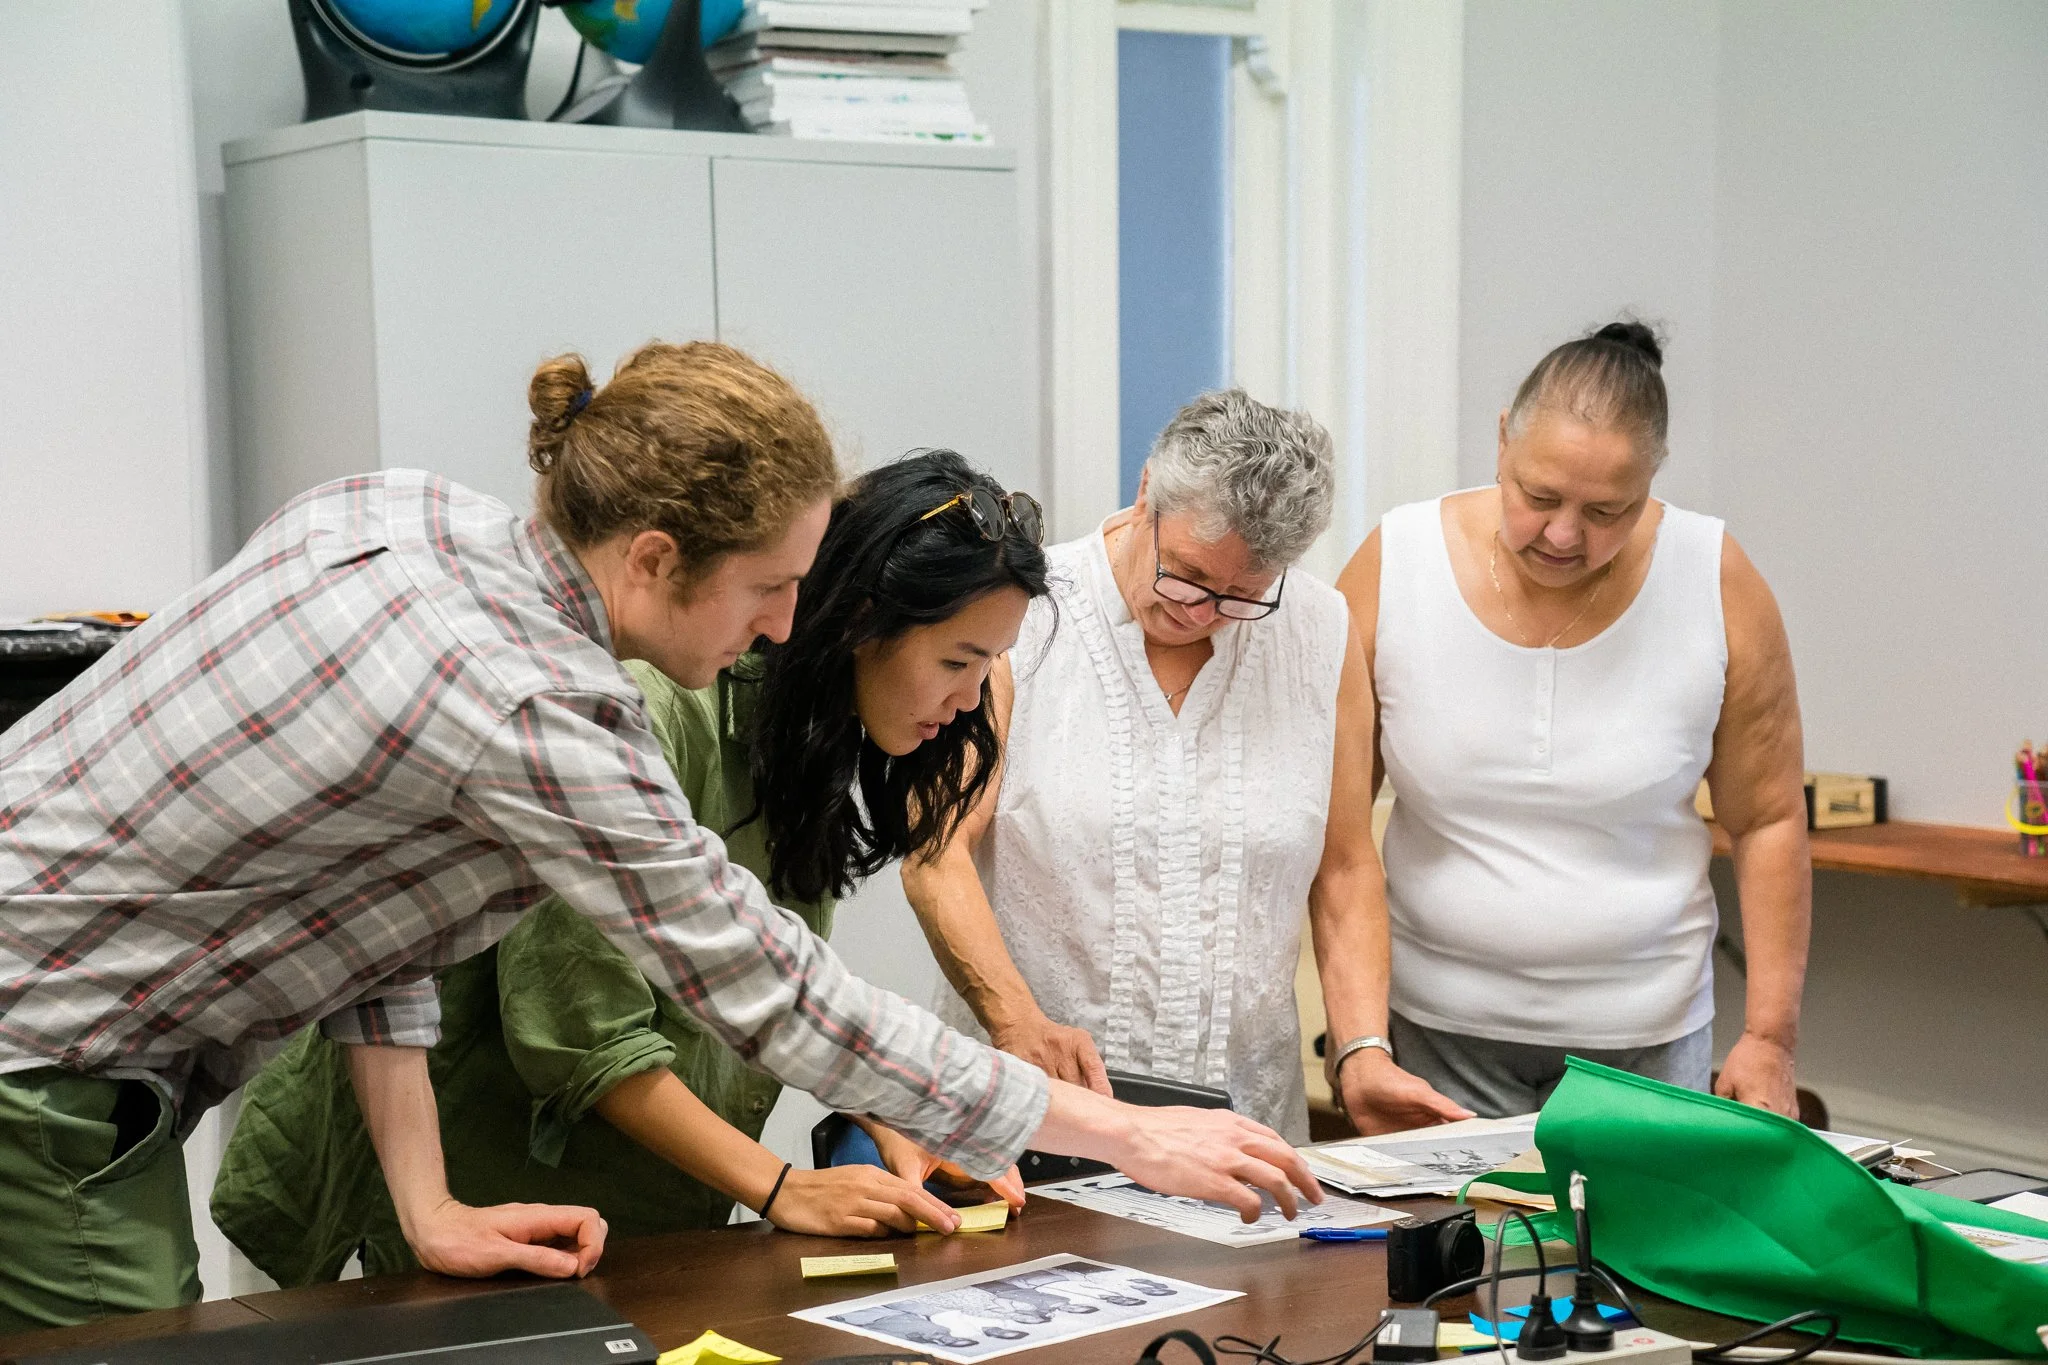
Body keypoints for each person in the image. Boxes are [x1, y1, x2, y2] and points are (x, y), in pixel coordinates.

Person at [0, 343, 1317, 1332]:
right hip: (41, 1054)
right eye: (769, 588)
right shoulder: (541, 708)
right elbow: (763, 987)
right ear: (649, 560)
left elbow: (374, 901)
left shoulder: (400, 512)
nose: (791, 623)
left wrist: (427, 1206)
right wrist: (1129, 1136)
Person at [209, 450, 1045, 1284]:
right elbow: (583, 1037)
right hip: (491, 1183)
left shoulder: (811, 736)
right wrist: (784, 1186)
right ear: (864, 621)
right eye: (956, 662)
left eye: (987, 669)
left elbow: (761, 977)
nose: (970, 702)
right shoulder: (651, 703)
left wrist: (887, 1106)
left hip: (642, 1216)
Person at [904, 389, 1468, 1143]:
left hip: (1244, 1123)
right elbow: (936, 854)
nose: (1201, 612)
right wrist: (1017, 1021)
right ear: (1146, 494)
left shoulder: (1315, 631)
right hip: (1040, 1113)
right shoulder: (1027, 616)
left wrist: (1361, 1048)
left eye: (1241, 595)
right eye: (1189, 575)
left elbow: (1343, 865)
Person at [1335, 320, 1811, 1118]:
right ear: (1500, 443)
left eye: (1606, 511)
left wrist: (1770, 1036)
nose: (1562, 535)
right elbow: (1338, 832)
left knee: (1634, 1247)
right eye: (1540, 497)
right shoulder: (1397, 561)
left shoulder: (1715, 580)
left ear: (1653, 480)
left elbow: (1767, 819)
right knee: (1462, 1245)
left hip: (1648, 1043)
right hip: (1435, 1037)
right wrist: (1358, 1044)